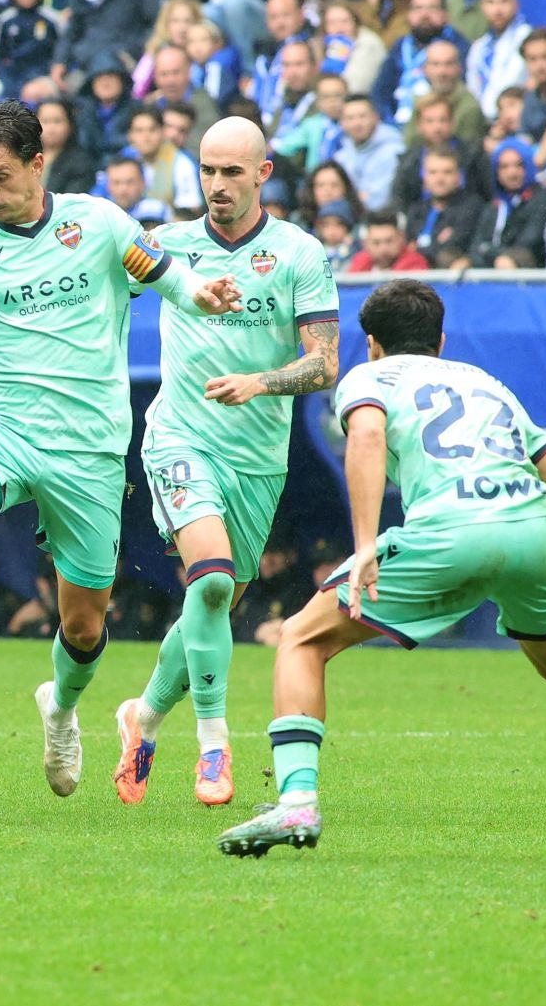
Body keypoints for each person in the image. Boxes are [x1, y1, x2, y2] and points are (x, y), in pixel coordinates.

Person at [216, 279, 546, 862]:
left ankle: (298, 801)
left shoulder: (368, 377)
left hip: (451, 531)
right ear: (441, 339)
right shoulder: (489, 385)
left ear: (373, 342)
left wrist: (364, 544)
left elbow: (370, 436)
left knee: (301, 638)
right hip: (533, 530)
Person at [0, 96, 242, 780]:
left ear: (39, 163)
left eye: (1, 176)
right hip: (4, 428)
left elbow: (164, 272)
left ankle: (61, 711)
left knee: (84, 626)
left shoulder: (96, 222)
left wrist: (201, 294)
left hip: (90, 452)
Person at [111, 117, 339, 808]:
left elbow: (325, 363)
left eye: (232, 172)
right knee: (208, 579)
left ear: (263, 173)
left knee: (213, 604)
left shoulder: (299, 253)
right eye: (207, 171)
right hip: (180, 436)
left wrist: (262, 383)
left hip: (258, 459)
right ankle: (214, 747)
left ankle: (142, 717)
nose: (216, 185)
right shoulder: (168, 246)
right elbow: (99, 276)